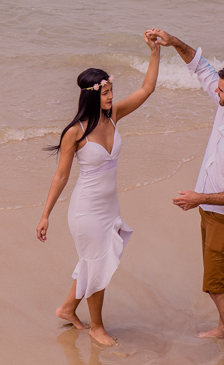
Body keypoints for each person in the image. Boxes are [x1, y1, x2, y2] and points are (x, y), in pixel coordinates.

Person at [149, 29, 224, 365]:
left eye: (222, 91)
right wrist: (174, 43)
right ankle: (221, 328)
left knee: (217, 288)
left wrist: (199, 197)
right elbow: (201, 69)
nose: (215, 93)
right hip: (210, 211)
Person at [36, 32, 162, 347]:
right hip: (85, 210)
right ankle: (97, 327)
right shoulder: (75, 133)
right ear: (93, 95)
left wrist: (155, 53)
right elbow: (61, 176)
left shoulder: (115, 115)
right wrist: (45, 215)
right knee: (98, 265)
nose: (111, 96)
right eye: (106, 92)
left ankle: (67, 309)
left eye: (111, 90)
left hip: (109, 208)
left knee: (95, 261)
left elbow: (147, 89)